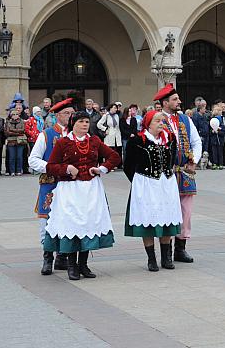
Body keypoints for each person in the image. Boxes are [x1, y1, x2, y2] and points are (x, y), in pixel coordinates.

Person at [43, 109, 121, 280]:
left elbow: (114, 157)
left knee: (89, 223)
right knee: (73, 224)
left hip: (91, 189)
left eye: (87, 122)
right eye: (81, 122)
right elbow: (50, 166)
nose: (85, 125)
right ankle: (72, 265)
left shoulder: (94, 141)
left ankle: (83, 264)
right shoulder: (63, 142)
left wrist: (100, 169)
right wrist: (66, 169)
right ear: (73, 124)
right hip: (70, 190)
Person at [123, 110, 183, 272]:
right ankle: (151, 259)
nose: (161, 124)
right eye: (157, 121)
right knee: (147, 219)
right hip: (146, 184)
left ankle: (166, 257)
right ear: (148, 123)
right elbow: (127, 165)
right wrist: (138, 182)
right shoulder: (137, 140)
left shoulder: (169, 139)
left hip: (166, 184)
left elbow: (173, 159)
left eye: (162, 121)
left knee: (167, 217)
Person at [156, 84, 202, 264]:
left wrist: (194, 160)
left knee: (186, 212)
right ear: (165, 102)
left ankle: (180, 249)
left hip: (184, 173)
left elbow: (196, 141)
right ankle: (165, 253)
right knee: (166, 211)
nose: (179, 102)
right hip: (165, 173)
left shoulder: (185, 119)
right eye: (175, 99)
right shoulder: (157, 119)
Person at [29, 97, 76, 275]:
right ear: (57, 115)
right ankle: (47, 257)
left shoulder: (76, 135)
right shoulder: (47, 134)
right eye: (66, 113)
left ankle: (62, 258)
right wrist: (50, 167)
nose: (70, 116)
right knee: (47, 220)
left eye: (72, 113)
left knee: (69, 219)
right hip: (51, 184)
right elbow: (33, 160)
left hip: (72, 186)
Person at [4, 108, 27, 177]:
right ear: (11, 115)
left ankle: (19, 170)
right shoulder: (8, 122)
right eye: (13, 114)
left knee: (19, 157)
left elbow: (23, 130)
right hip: (11, 141)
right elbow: (7, 132)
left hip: (20, 141)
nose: (15, 115)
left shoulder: (22, 121)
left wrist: (12, 131)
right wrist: (18, 132)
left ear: (19, 115)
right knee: (12, 157)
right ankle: (12, 171)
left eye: (16, 114)